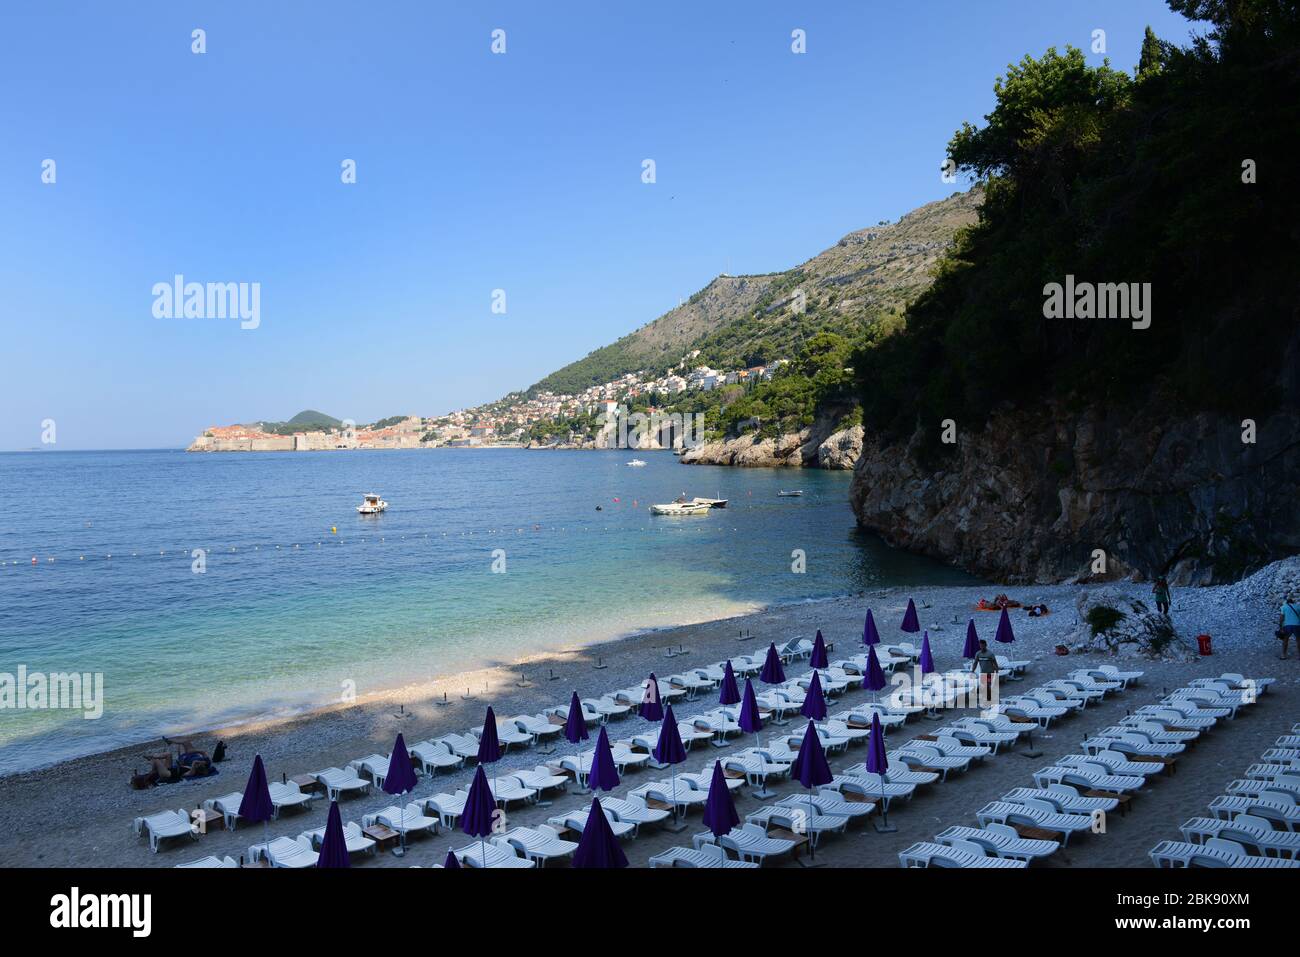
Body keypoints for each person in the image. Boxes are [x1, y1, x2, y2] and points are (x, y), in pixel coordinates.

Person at [1279, 593, 1300, 659]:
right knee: (1298, 640)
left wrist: (1280, 625)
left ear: (1287, 601)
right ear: (1293, 601)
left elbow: (1282, 617)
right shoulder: (1298, 606)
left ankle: (1283, 655)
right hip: (1297, 625)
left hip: (1287, 625)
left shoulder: (1284, 607)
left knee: (1285, 640)